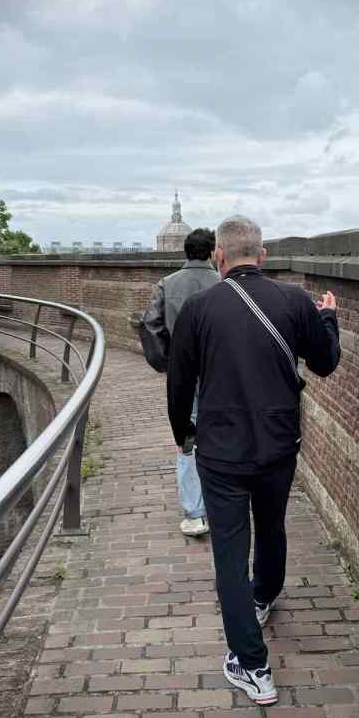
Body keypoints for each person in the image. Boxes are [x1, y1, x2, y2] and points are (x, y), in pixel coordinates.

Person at [167, 214, 340, 704]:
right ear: (262, 256)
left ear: (219, 257)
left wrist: (184, 434)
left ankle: (252, 665)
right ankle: (263, 596)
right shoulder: (294, 301)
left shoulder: (199, 309)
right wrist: (328, 318)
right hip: (279, 443)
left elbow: (178, 384)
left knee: (228, 550)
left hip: (221, 451)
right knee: (272, 525)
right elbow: (325, 363)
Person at [142, 227, 220, 536]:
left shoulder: (167, 284)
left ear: (185, 252)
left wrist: (167, 364)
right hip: (220, 374)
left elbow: (150, 325)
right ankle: (220, 505)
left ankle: (194, 512)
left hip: (184, 376)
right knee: (220, 437)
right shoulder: (224, 284)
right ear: (213, 252)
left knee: (187, 440)